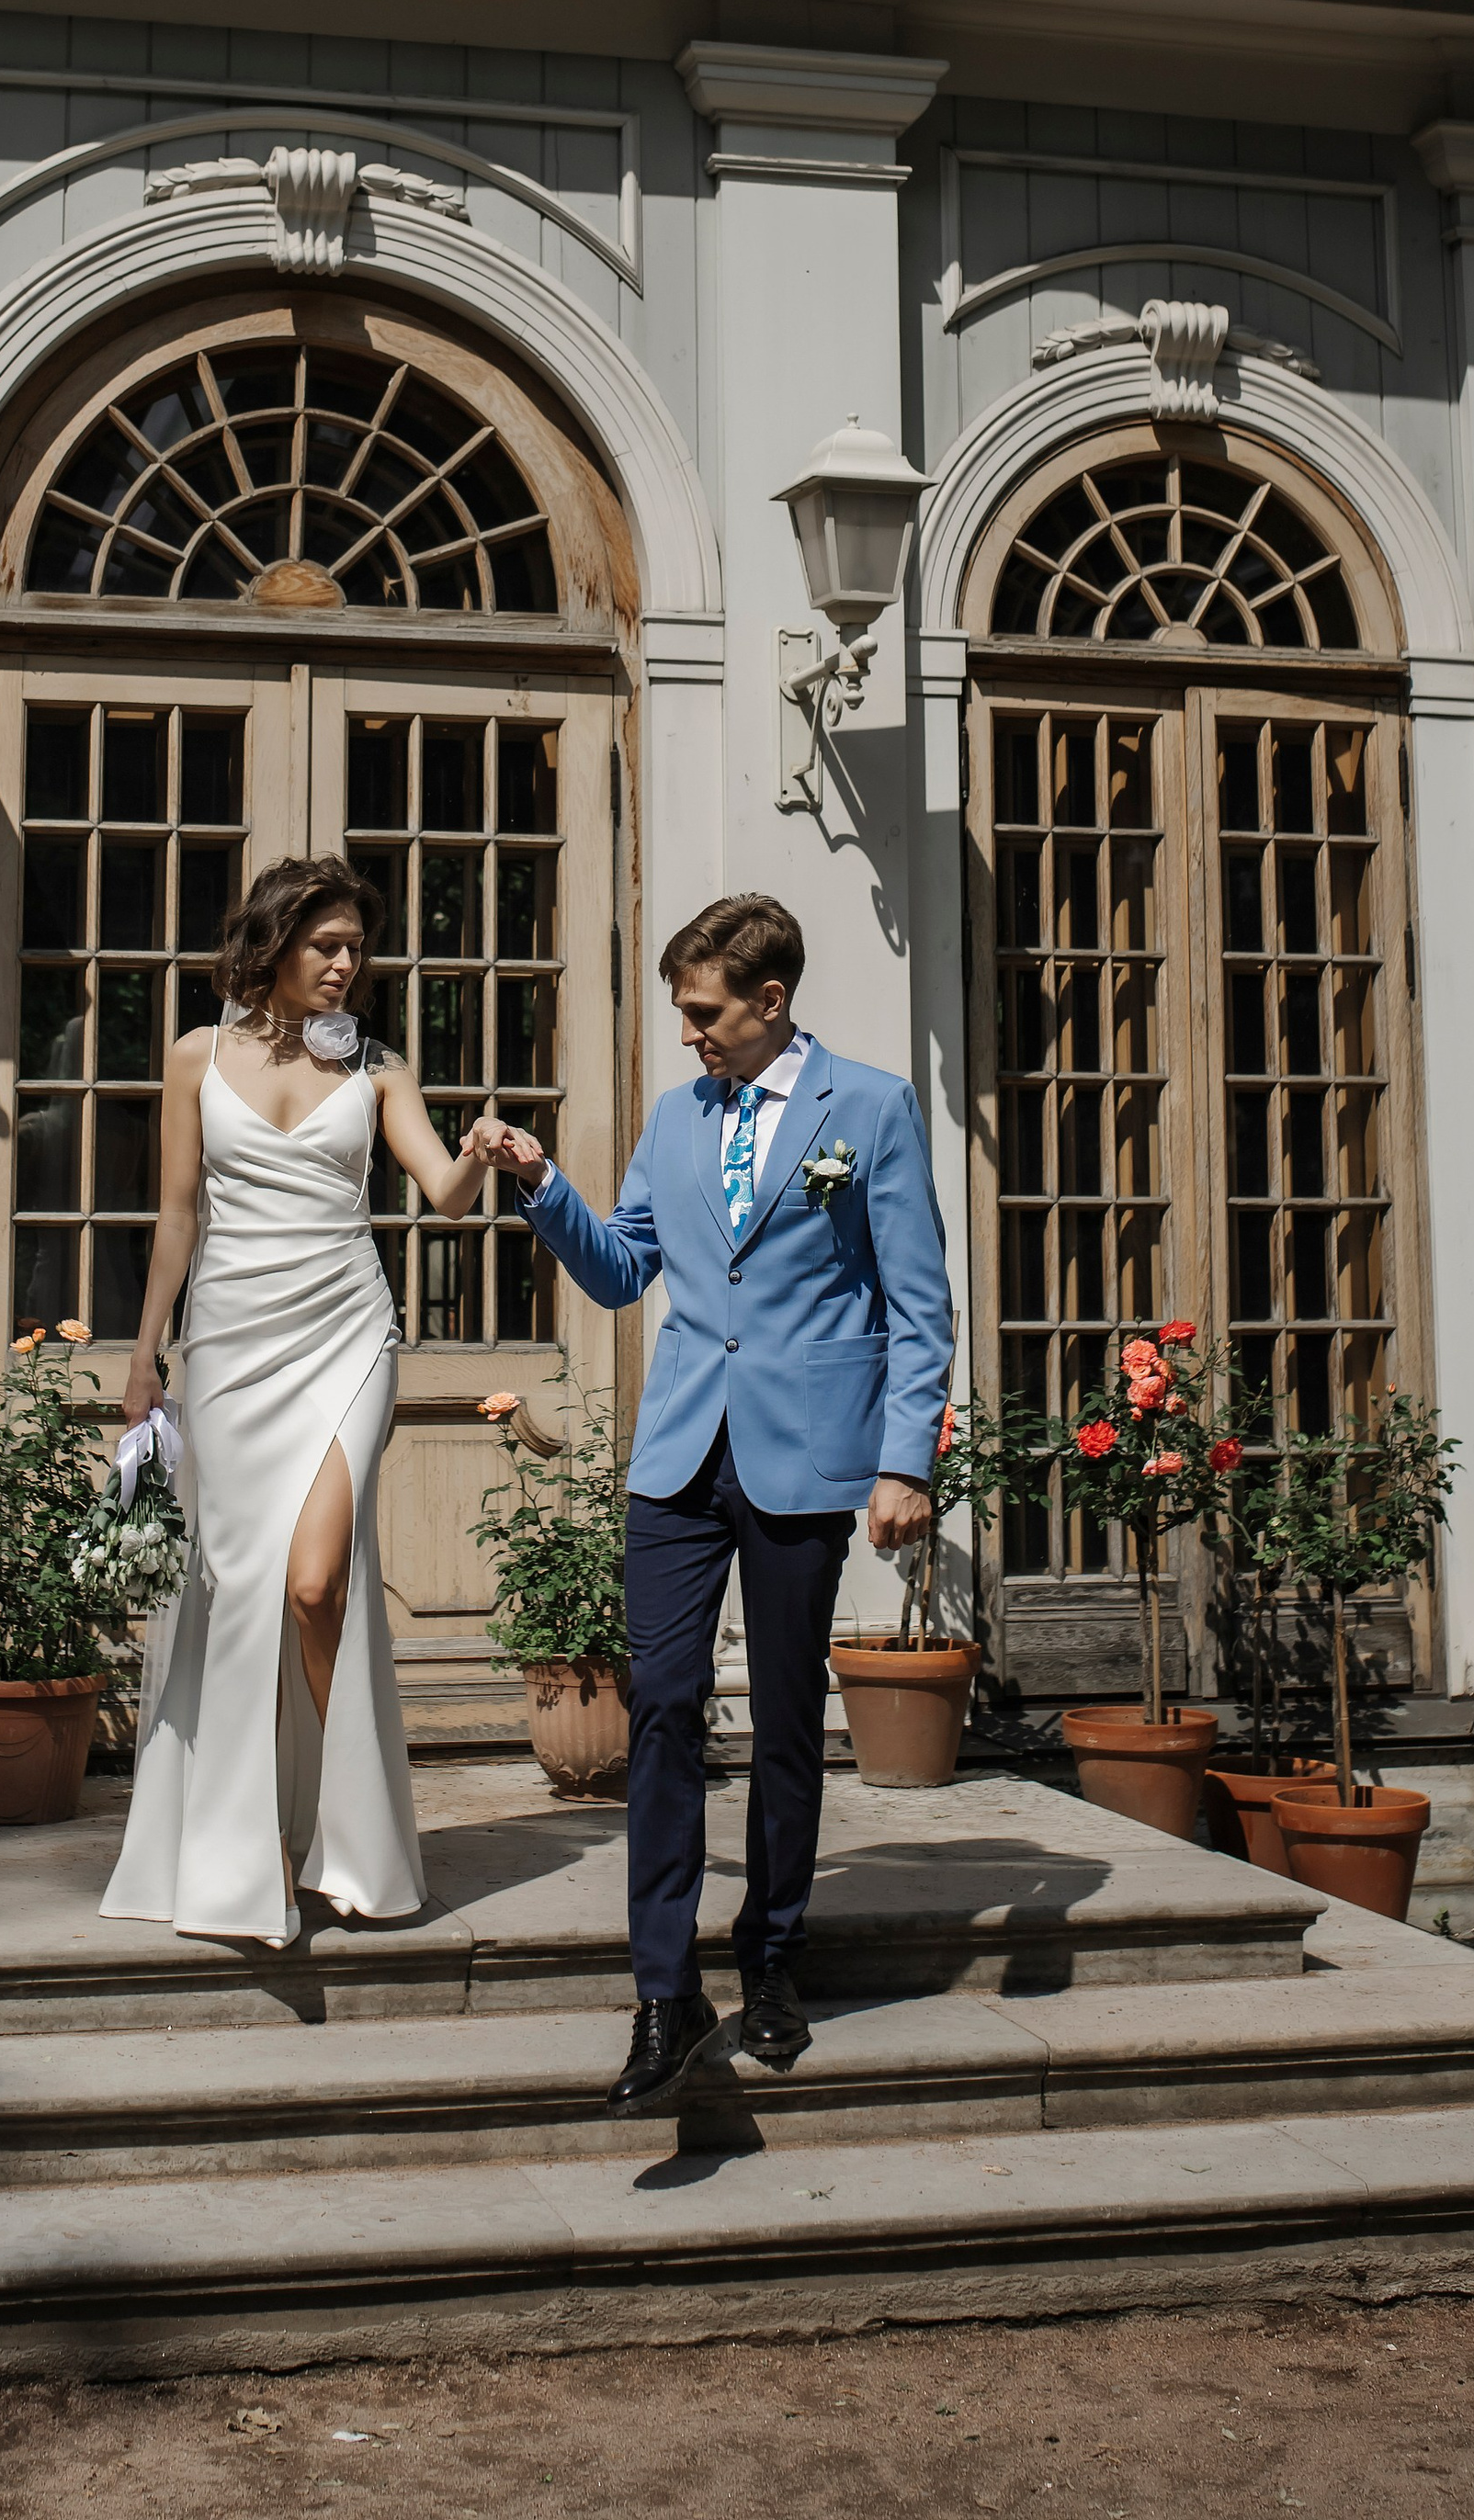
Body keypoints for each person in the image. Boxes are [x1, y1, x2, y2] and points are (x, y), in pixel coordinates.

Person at [467, 892, 951, 2116]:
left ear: (768, 1001)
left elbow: (919, 1303)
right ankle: (663, 1987)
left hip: (806, 1455)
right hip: (679, 1456)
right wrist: (541, 1185)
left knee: (788, 1720)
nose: (689, 1035)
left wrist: (907, 1463)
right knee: (667, 1705)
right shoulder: (677, 1121)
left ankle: (775, 1955)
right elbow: (625, 1269)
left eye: (703, 1012)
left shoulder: (874, 1110)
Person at [103, 854, 490, 1945]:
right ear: (270, 947)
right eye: (326, 945)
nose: (346, 964)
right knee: (238, 1595)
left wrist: (481, 1152)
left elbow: (444, 1199)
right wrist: (145, 1360)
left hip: (345, 1335)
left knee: (317, 1583)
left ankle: (347, 1830)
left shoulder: (378, 1069)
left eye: (357, 948)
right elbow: (178, 1216)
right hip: (226, 1343)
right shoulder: (193, 1056)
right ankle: (253, 1851)